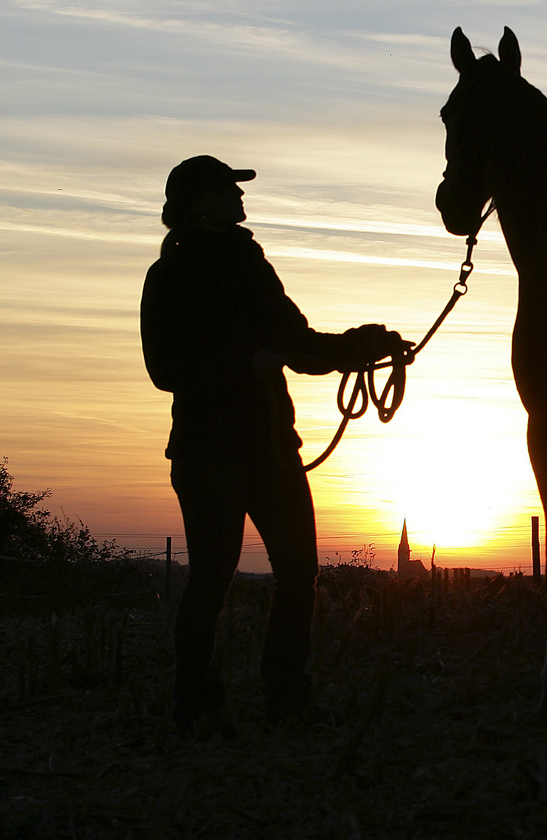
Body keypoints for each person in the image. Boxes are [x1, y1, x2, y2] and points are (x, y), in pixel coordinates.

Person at [141, 155, 404, 735]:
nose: (239, 198)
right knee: (213, 576)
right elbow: (164, 368)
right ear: (198, 202)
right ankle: (195, 704)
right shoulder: (168, 276)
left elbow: (296, 343)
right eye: (227, 189)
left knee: (297, 572)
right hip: (208, 449)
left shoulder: (253, 266)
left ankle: (287, 699)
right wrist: (244, 363)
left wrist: (363, 347)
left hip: (270, 449)